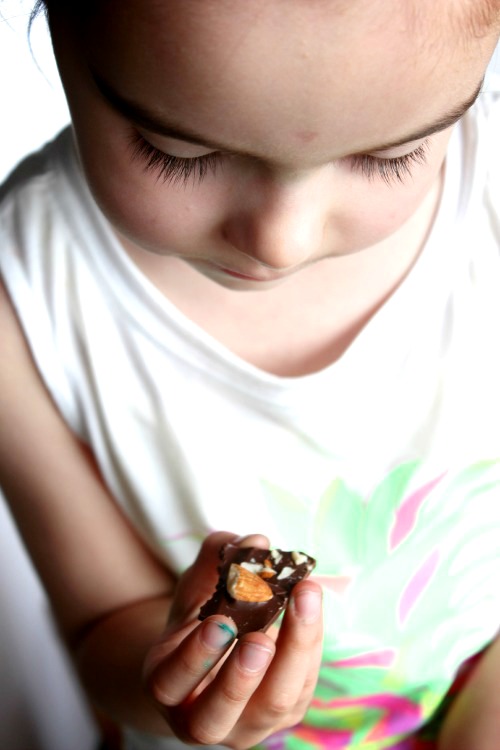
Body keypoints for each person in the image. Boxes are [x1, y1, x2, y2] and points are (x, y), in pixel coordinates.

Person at [1, 0, 500, 748]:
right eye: (178, 152)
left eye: (390, 156)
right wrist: (177, 677)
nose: (281, 241)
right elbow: (101, 622)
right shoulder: (25, 299)